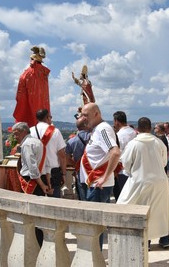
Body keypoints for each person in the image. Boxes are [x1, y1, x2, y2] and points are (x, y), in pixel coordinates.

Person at [116, 117, 169, 249]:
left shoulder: (133, 144)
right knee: (160, 210)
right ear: (150, 128)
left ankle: (145, 241)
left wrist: (132, 172)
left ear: (137, 129)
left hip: (139, 180)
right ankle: (164, 239)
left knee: (136, 209)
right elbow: (164, 162)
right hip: (159, 181)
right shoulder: (159, 142)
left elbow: (126, 163)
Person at [79, 103, 121, 248]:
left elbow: (115, 152)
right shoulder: (97, 129)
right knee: (95, 223)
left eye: (86, 115)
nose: (83, 118)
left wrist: (104, 177)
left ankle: (94, 256)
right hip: (95, 183)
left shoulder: (103, 129)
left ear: (96, 114)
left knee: (94, 224)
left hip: (98, 185)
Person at [30, 109, 67, 198]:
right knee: (54, 203)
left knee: (37, 202)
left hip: (36, 172)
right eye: (50, 117)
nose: (51, 119)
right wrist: (64, 174)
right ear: (47, 117)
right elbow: (62, 155)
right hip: (53, 172)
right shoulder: (55, 131)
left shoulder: (30, 131)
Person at [13, 46, 50, 127]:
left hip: (30, 103)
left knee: (30, 119)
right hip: (42, 105)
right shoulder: (43, 73)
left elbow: (21, 89)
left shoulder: (29, 72)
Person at [113, 111, 137, 201]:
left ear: (116, 121)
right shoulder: (134, 133)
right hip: (134, 168)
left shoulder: (118, 135)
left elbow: (116, 153)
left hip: (121, 169)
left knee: (121, 196)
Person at [65, 116, 91, 201]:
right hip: (93, 169)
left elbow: (67, 158)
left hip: (80, 170)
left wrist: (76, 165)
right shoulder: (93, 136)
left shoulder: (71, 141)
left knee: (83, 196)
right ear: (86, 125)